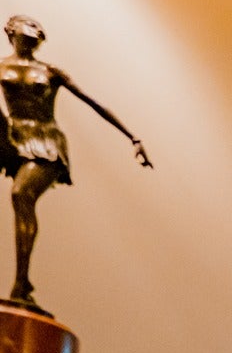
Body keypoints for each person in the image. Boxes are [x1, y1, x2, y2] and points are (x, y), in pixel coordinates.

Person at [0, 16, 151, 314]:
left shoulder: (49, 72)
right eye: (25, 28)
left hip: (45, 143)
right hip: (14, 138)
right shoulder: (2, 66)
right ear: (11, 32)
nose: (32, 33)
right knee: (21, 198)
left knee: (21, 194)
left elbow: (93, 102)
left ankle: (21, 283)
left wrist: (132, 137)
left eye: (36, 30)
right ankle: (21, 286)